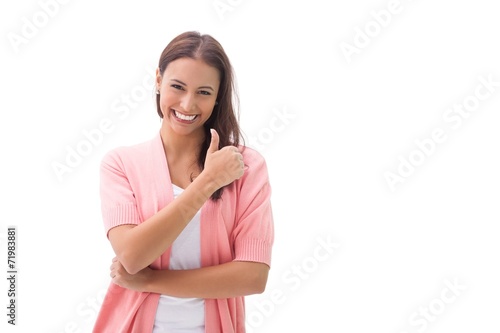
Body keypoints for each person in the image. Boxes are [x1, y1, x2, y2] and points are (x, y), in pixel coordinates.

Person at [92, 31, 275, 333]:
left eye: (204, 92)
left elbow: (253, 277)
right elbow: (132, 256)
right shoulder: (121, 164)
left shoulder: (245, 166)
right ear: (158, 80)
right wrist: (207, 183)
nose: (188, 105)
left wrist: (151, 281)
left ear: (218, 97)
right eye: (177, 86)